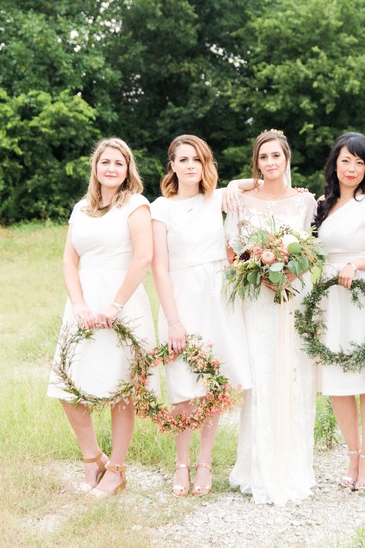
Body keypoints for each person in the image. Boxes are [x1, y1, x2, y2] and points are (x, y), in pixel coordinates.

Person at [48, 137, 156, 497]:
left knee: (120, 388)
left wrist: (115, 305)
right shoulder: (80, 209)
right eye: (105, 162)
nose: (111, 168)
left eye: (119, 163)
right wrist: (78, 304)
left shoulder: (137, 205)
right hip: (82, 305)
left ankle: (118, 469)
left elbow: (143, 257)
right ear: (95, 168)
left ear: (128, 171)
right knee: (67, 386)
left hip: (121, 303)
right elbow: (68, 260)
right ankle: (92, 458)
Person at [151, 134, 252, 497]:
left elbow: (264, 179)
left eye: (197, 159)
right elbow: (159, 267)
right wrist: (173, 320)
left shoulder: (218, 198)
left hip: (217, 296)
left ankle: (205, 462)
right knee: (182, 384)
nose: (190, 165)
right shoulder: (160, 208)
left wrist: (301, 195)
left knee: (214, 383)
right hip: (180, 295)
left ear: (204, 164)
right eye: (183, 159)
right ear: (173, 166)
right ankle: (182, 463)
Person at [226, 130, 317, 506]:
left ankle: (294, 466)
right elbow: (231, 250)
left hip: (294, 297)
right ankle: (257, 467)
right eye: (263, 157)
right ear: (256, 163)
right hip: (257, 301)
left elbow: (312, 247)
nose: (270, 163)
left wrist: (293, 269)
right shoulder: (242, 200)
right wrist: (257, 269)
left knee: (294, 376)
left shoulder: (304, 201)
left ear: (287, 158)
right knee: (261, 377)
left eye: (276, 156)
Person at [315, 133, 365, 490]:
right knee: (338, 382)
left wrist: (356, 265)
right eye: (346, 160)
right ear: (335, 163)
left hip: (364, 296)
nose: (352, 169)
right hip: (331, 299)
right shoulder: (322, 206)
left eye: (360, 162)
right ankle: (351, 452)